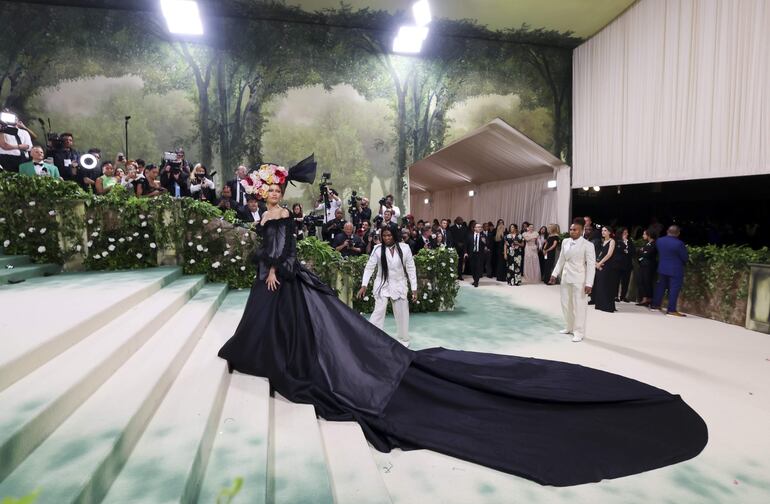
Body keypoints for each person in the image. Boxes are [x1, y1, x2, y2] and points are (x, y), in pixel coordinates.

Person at [218, 166, 707, 487]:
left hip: (280, 276)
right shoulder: (275, 214)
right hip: (279, 277)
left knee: (334, 329)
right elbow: (282, 248)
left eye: (276, 190)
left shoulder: (279, 217)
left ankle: (279, 358)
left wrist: (276, 268)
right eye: (271, 190)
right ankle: (270, 356)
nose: (273, 195)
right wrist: (277, 265)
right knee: (315, 326)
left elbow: (279, 250)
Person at [359, 227, 417, 346]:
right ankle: (371, 339)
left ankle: (403, 339)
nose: (386, 238)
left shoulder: (405, 248)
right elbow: (369, 267)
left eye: (389, 235)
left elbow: (411, 268)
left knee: (402, 314)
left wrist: (414, 288)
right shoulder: (377, 249)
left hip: (399, 284)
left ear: (394, 235)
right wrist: (364, 285)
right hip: (382, 284)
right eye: (384, 236)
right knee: (378, 312)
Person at [549, 219, 596, 343]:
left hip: (579, 279)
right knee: (565, 304)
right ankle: (569, 326)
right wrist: (554, 274)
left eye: (574, 229)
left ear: (581, 231)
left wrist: (589, 283)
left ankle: (579, 332)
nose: (572, 231)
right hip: (565, 277)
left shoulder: (588, 245)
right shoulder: (565, 241)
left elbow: (591, 265)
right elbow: (561, 260)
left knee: (579, 306)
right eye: (570, 229)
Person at [651, 225, 689, 316]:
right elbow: (685, 257)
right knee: (674, 289)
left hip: (662, 267)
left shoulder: (660, 241)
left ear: (667, 231)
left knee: (660, 287)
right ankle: (671, 309)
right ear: (678, 233)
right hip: (675, 269)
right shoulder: (679, 243)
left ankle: (656, 305)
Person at [593, 226, 619, 313]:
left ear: (609, 232)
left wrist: (600, 263)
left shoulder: (612, 241)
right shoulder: (603, 241)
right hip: (600, 265)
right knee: (600, 284)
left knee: (606, 285)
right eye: (602, 231)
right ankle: (600, 304)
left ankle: (607, 306)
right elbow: (600, 254)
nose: (603, 232)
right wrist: (597, 263)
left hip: (608, 266)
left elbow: (609, 254)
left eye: (605, 230)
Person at [636, 228, 658, 307]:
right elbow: (640, 252)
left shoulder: (654, 243)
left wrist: (642, 251)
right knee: (641, 281)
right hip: (643, 265)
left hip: (649, 266)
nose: (643, 235)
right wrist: (642, 251)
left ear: (649, 235)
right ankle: (644, 298)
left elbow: (647, 254)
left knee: (647, 281)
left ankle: (649, 299)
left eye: (644, 234)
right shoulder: (646, 243)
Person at [616, 227, 636, 302]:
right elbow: (618, 250)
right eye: (625, 233)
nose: (626, 234)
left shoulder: (630, 241)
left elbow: (633, 252)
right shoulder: (617, 241)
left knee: (626, 281)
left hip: (627, 264)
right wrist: (624, 248)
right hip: (618, 264)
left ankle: (623, 296)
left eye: (627, 233)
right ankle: (615, 296)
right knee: (617, 280)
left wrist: (626, 250)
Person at [464, 222, 487, 287]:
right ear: (474, 228)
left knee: (478, 268)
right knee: (473, 268)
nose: (479, 228)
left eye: (480, 227)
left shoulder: (483, 235)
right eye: (477, 227)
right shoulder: (469, 235)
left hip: (479, 254)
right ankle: (475, 280)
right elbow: (466, 245)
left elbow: (487, 244)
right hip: (471, 253)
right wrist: (465, 252)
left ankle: (476, 281)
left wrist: (484, 241)